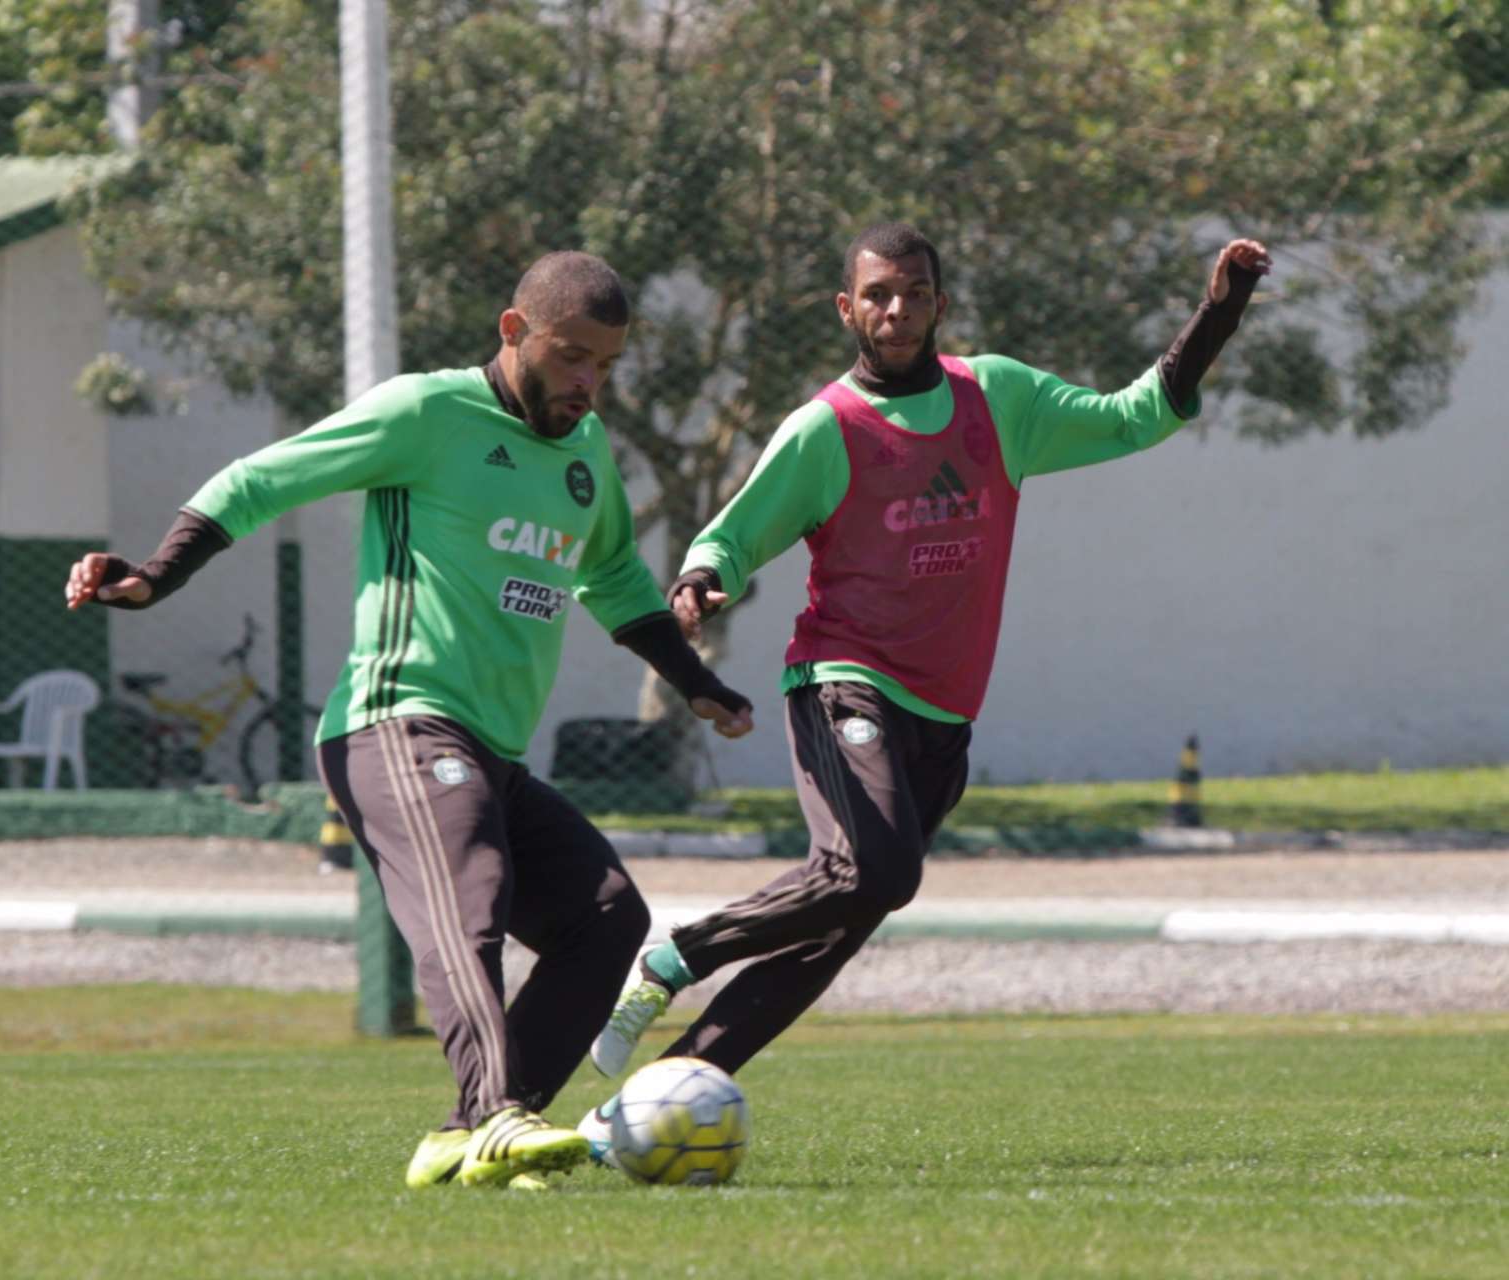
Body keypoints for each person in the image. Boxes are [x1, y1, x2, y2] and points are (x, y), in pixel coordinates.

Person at [63, 251, 754, 1190]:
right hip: (394, 721)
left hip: (493, 752)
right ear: (515, 334)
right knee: (473, 888)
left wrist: (694, 683)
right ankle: (500, 1113)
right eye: (572, 356)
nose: (589, 383)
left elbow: (616, 581)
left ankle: (470, 1129)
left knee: (607, 916)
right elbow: (262, 477)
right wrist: (156, 576)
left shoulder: (585, 455)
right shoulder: (425, 414)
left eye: (606, 364)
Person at [580, 223, 1270, 1152]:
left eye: (912, 292)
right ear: (846, 308)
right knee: (878, 871)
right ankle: (675, 954)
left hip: (944, 718)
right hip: (842, 684)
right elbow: (734, 537)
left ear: (940, 303)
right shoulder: (830, 427)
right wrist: (701, 582)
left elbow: (1138, 415)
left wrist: (1220, 312)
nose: (895, 308)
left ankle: (641, 1107)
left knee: (842, 921)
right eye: (877, 294)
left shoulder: (1000, 398)